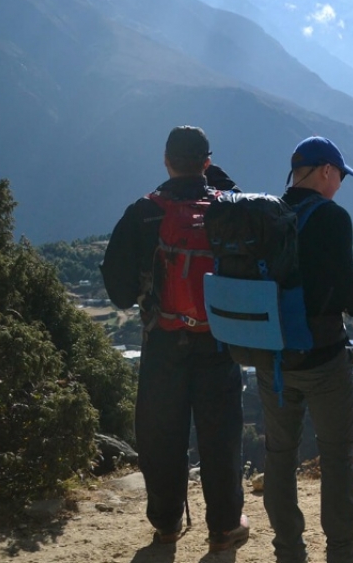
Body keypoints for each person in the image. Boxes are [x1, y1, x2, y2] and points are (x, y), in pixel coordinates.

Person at [100, 126, 248, 552]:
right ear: (207, 162)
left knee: (161, 433)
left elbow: (119, 290)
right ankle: (224, 527)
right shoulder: (227, 208)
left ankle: (166, 524)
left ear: (166, 161)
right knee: (220, 436)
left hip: (163, 341)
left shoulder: (144, 212)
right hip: (218, 341)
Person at [258, 136, 353, 563]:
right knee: (336, 457)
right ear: (325, 171)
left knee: (280, 455)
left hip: (273, 360)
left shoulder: (266, 214)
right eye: (340, 176)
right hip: (324, 358)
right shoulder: (332, 217)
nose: (339, 184)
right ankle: (341, 553)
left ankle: (288, 551)